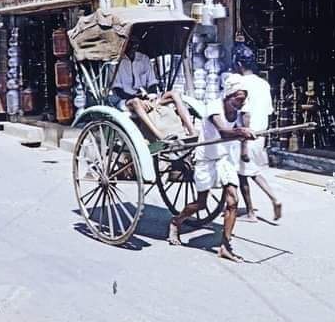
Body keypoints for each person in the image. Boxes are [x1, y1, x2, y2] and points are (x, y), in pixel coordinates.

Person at [168, 74, 255, 262]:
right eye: (239, 99)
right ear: (229, 96)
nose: (242, 103)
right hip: (206, 159)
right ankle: (176, 221)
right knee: (201, 204)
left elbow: (242, 126)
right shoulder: (214, 107)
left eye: (243, 99)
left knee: (233, 201)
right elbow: (224, 132)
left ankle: (225, 246)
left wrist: (246, 132)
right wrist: (241, 132)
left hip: (224, 158)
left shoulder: (239, 110)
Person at [110, 36, 195, 140]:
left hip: (147, 98)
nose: (133, 46)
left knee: (174, 94)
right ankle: (160, 136)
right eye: (130, 43)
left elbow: (152, 83)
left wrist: (151, 96)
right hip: (126, 101)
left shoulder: (143, 58)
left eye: (136, 43)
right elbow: (118, 91)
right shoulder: (116, 62)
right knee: (136, 101)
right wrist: (140, 99)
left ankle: (192, 131)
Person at [234, 47, 282, 222]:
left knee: (245, 173)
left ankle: (252, 212)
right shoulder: (263, 84)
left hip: (247, 135)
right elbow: (269, 111)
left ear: (239, 64)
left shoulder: (241, 84)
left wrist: (244, 144)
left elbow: (245, 114)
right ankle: (271, 200)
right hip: (261, 132)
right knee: (251, 170)